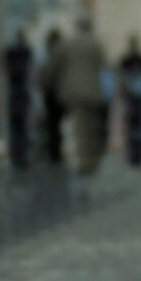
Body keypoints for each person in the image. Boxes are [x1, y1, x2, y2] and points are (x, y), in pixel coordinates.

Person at [50, 20, 111, 174]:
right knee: (92, 128)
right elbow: (104, 65)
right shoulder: (96, 44)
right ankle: (92, 160)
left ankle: (84, 161)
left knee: (81, 128)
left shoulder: (67, 44)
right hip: (93, 91)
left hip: (74, 92)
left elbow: (55, 66)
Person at [118, 36, 141, 167]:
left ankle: (134, 154)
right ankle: (139, 153)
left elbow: (120, 78)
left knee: (132, 125)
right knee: (139, 125)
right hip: (140, 96)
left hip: (131, 97)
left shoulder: (126, 60)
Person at [2, 29, 36, 167]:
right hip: (20, 95)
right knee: (20, 126)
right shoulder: (25, 55)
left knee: (17, 127)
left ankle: (18, 153)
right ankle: (20, 153)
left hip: (16, 95)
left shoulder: (14, 56)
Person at [37, 28, 67, 165]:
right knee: (56, 123)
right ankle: (56, 151)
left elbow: (43, 74)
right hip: (58, 92)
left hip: (51, 93)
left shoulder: (47, 54)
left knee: (53, 123)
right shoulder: (61, 54)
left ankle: (54, 151)